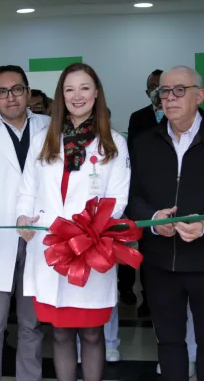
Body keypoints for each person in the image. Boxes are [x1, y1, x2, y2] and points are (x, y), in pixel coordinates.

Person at [127, 66, 204, 381]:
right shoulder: (144, 143)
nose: (169, 98)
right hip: (161, 262)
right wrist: (154, 220)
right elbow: (131, 195)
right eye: (164, 92)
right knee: (169, 342)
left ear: (199, 95)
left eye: (179, 90)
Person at [16, 63, 130, 381]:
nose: (76, 96)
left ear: (96, 93)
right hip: (50, 251)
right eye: (69, 89)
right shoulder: (43, 140)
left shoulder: (113, 143)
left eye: (84, 88)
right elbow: (27, 190)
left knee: (93, 334)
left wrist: (85, 231)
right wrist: (23, 218)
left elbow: (117, 200)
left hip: (89, 249)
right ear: (60, 96)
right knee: (61, 334)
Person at [0, 65, 50, 381]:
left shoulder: (49, 126)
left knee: (31, 323)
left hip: (37, 233)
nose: (10, 97)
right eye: (2, 92)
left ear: (28, 92)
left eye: (17, 89)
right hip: (0, 233)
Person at [125, 69, 164, 315]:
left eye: (162, 86)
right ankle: (147, 299)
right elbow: (132, 154)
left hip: (172, 192)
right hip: (145, 193)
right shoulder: (138, 117)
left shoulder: (182, 116)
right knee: (146, 250)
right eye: (153, 87)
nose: (158, 92)